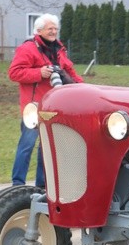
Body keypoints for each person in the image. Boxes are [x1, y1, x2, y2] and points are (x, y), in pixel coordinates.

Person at [8, 13, 83, 187]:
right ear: (39, 30)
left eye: (55, 29)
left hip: (54, 107)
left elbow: (70, 72)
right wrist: (39, 73)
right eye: (50, 29)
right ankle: (17, 185)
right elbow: (14, 73)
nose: (53, 32)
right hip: (33, 108)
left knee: (47, 148)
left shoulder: (59, 49)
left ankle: (42, 185)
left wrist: (83, 88)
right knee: (26, 146)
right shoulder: (27, 48)